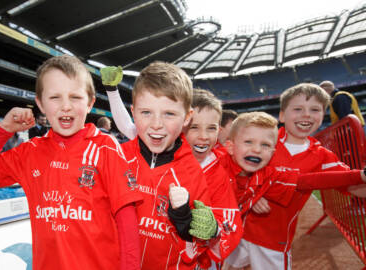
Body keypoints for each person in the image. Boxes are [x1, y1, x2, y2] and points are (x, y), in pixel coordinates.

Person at [0, 55, 143, 270]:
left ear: (90, 103)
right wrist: (4, 130)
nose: (66, 106)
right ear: (40, 103)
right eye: (55, 97)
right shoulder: (30, 152)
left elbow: (127, 221)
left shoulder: (105, 147)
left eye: (75, 97)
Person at [101, 64, 231, 269]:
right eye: (146, 112)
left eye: (169, 114)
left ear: (187, 117)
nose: (156, 124)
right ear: (133, 112)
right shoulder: (116, 157)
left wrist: (189, 223)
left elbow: (199, 242)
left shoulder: (192, 173)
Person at [209, 111, 366, 270]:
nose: (256, 149)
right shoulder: (214, 163)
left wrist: (360, 175)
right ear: (229, 147)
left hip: (224, 236)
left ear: (272, 153)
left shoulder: (269, 175)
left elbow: (308, 181)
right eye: (248, 142)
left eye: (265, 145)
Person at [169, 89, 243, 269]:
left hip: (199, 261)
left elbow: (229, 218)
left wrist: (215, 228)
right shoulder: (160, 158)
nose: (204, 136)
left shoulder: (218, 170)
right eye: (194, 127)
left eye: (212, 128)